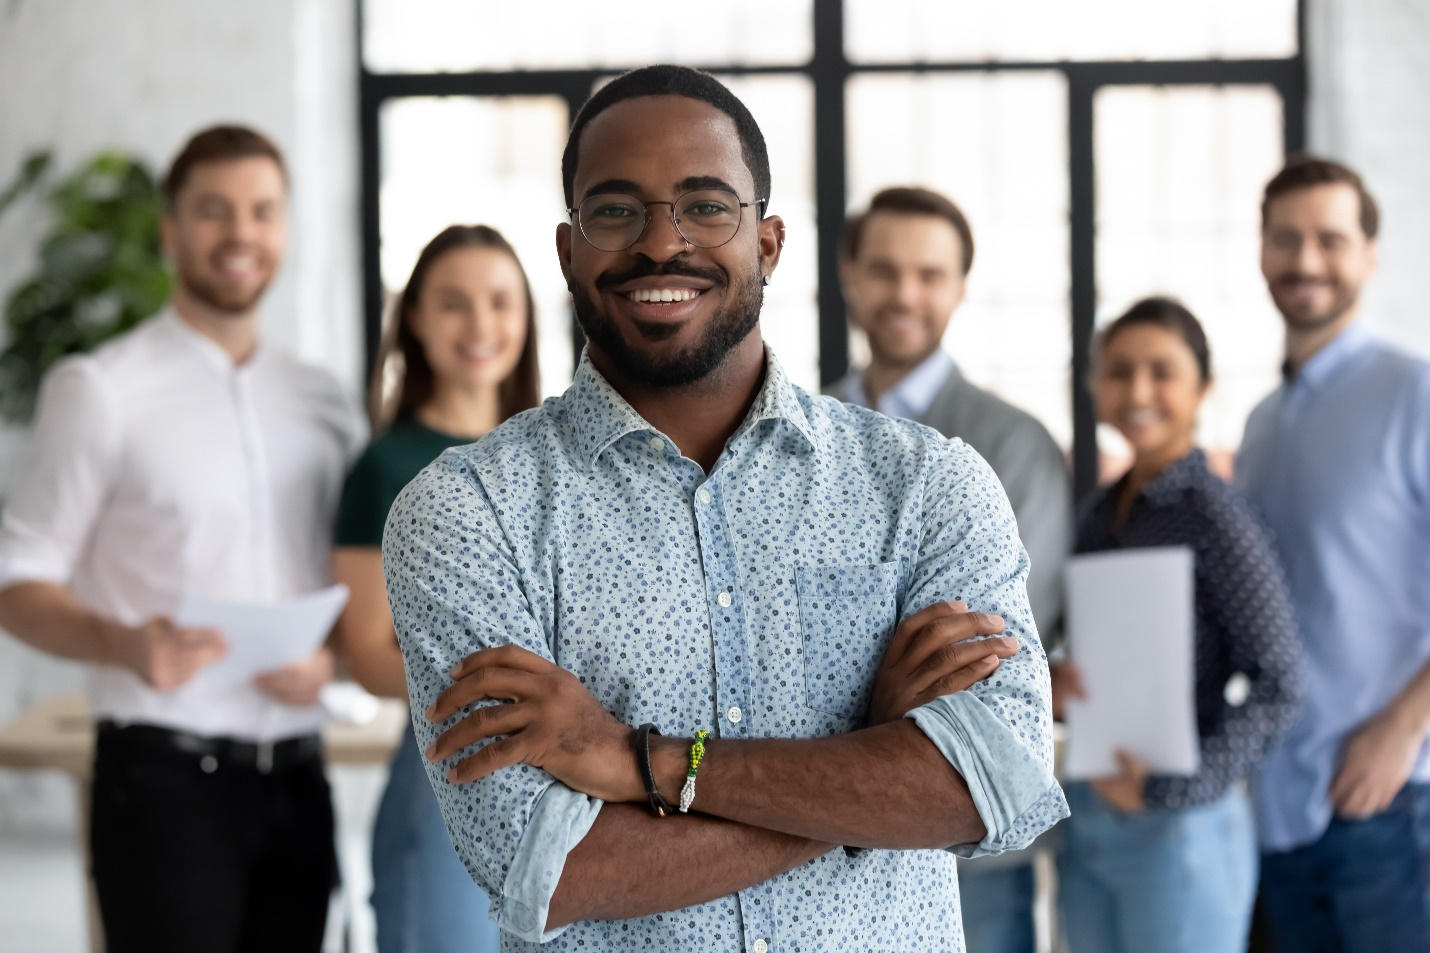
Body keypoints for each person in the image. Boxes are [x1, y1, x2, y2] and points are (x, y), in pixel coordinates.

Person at [381, 65, 1066, 953]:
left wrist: (644, 762)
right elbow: (549, 871)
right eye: (616, 209)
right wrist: (870, 758)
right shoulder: (467, 511)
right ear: (567, 250)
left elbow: (995, 783)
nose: (662, 244)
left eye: (706, 206)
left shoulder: (928, 483)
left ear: (770, 243)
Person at [0, 125, 365, 952]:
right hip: (162, 783)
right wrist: (121, 643)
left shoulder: (325, 402)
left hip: (300, 777)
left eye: (263, 211)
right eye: (213, 211)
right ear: (170, 231)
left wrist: (333, 658)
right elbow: (16, 579)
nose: (241, 233)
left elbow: (352, 580)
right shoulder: (99, 390)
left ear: (285, 227)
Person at [831, 186, 1074, 953]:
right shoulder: (804, 429)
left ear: (961, 286)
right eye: (885, 269)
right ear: (849, 275)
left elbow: (990, 648)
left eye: (930, 274)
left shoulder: (1014, 445)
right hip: (824, 839)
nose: (905, 293)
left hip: (968, 848)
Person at [1051, 297, 1302, 953]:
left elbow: (1280, 681)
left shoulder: (1215, 517)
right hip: (1092, 815)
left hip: (1180, 829)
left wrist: (1175, 788)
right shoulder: (1100, 512)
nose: (1138, 390)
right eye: (1120, 370)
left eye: (1162, 371)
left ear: (1203, 389)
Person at [1237, 157, 1430, 952]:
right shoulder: (1259, 425)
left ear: (1370, 254)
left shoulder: (1414, 394)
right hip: (1277, 806)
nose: (1306, 260)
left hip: (1390, 803)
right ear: (1261, 250)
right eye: (1287, 238)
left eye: (1330, 239)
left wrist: (1404, 724)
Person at [332, 224, 539, 953]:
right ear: (414, 319)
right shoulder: (385, 469)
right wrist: (501, 698)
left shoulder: (556, 455)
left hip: (570, 781)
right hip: (446, 773)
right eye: (454, 304)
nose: (480, 325)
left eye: (498, 302)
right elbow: (365, 654)